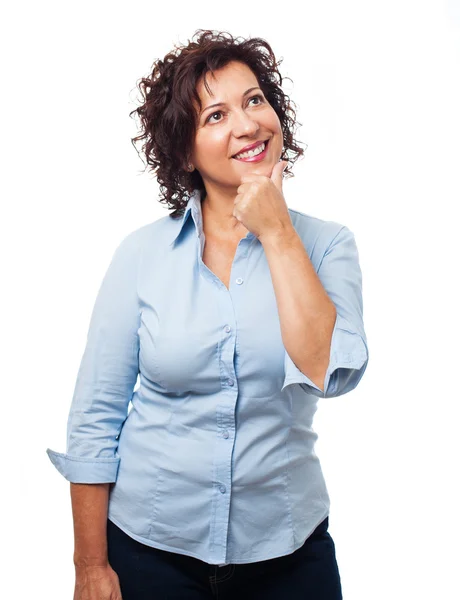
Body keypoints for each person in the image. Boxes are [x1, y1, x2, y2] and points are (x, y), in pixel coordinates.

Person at [46, 29, 369, 600]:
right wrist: (90, 565)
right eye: (215, 115)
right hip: (149, 552)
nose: (247, 125)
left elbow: (327, 370)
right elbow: (96, 416)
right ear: (184, 152)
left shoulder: (326, 245)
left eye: (254, 101)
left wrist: (276, 232)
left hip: (287, 554)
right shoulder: (141, 255)